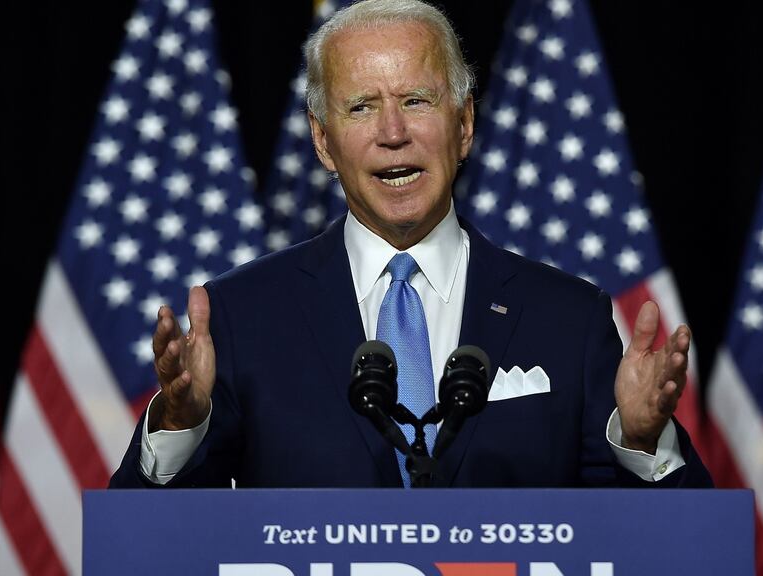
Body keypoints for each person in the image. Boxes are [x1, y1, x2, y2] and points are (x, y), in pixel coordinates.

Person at [110, 0, 711, 489]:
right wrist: (179, 426)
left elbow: (663, 543)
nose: (393, 133)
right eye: (361, 107)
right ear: (323, 142)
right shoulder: (244, 315)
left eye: (416, 101)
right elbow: (150, 543)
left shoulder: (568, 319)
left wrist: (640, 442)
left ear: (464, 124)